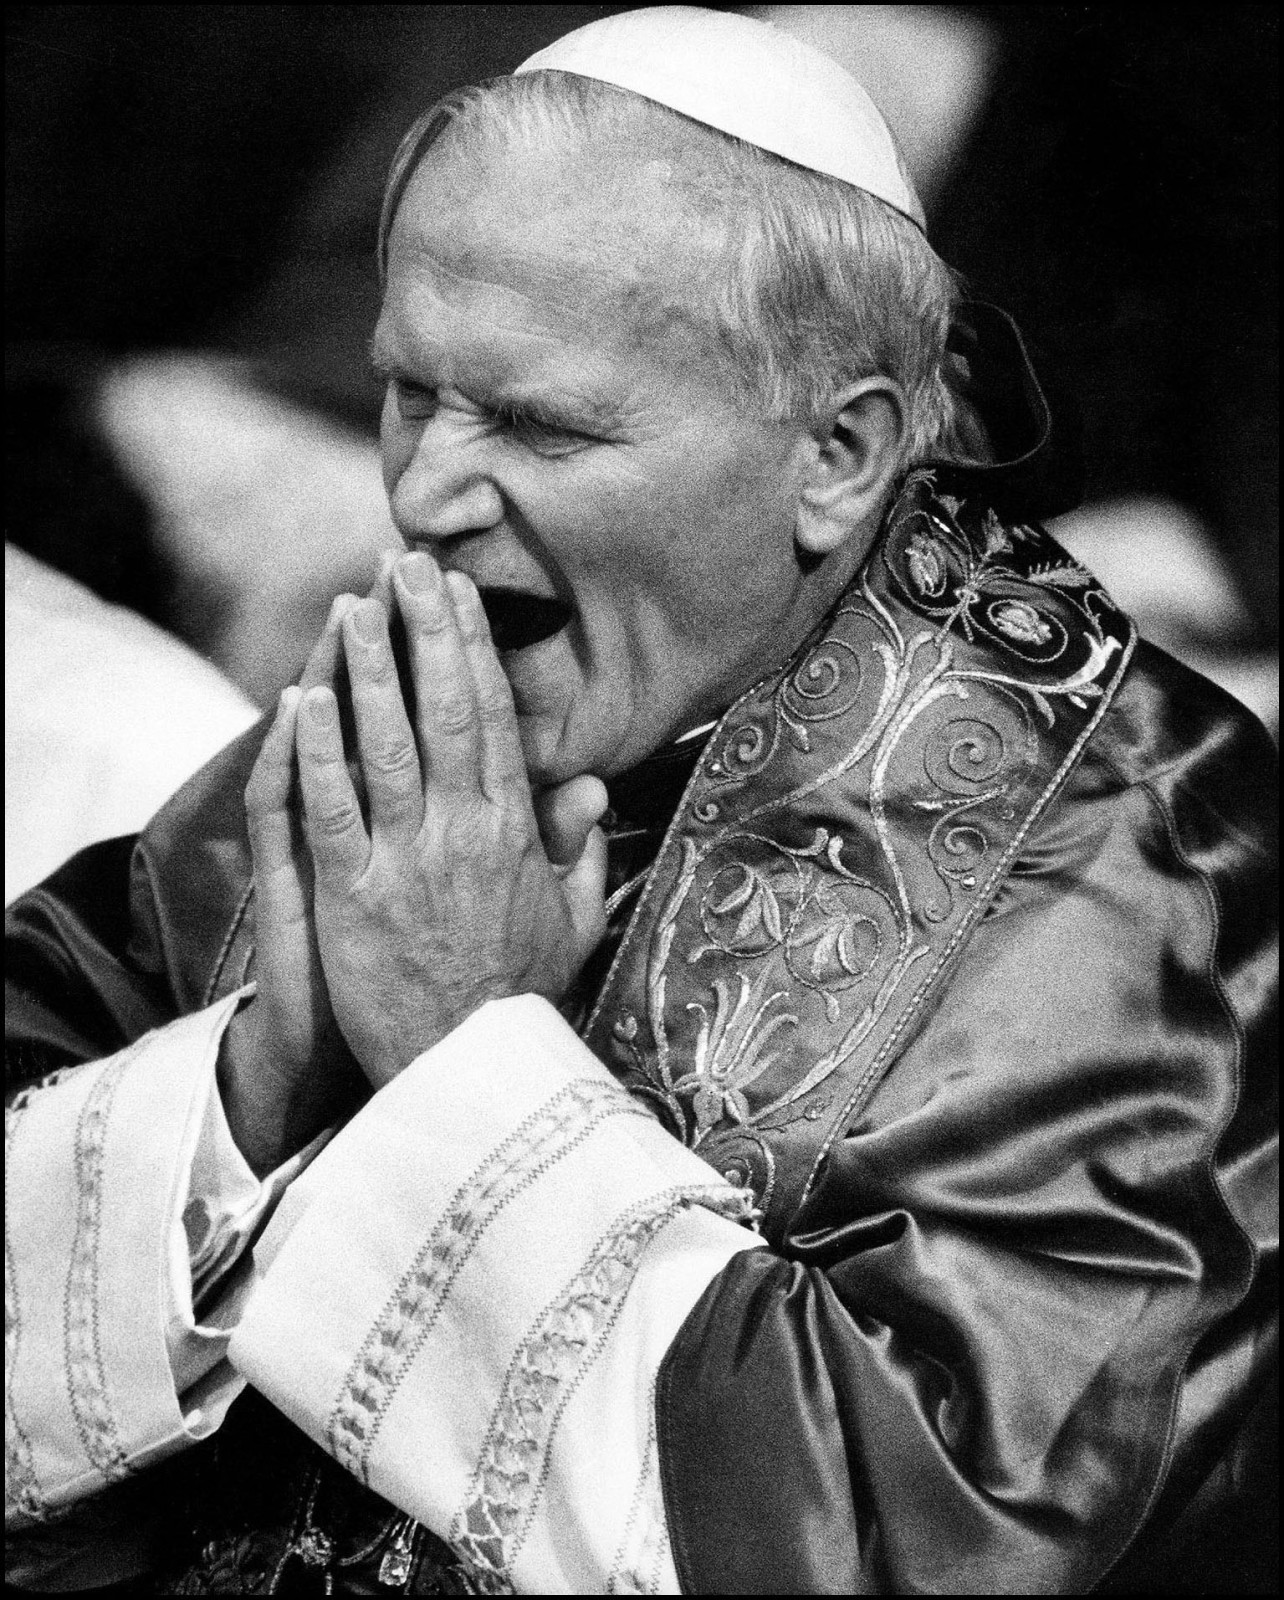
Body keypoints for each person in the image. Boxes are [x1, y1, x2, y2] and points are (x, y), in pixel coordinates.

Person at [5, 8, 1276, 1594]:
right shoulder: (401, 711)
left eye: (538, 423)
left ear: (840, 453)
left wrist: (460, 1057)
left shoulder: (1134, 864)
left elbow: (931, 1540)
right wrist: (261, 1085)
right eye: (410, 393)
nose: (423, 495)